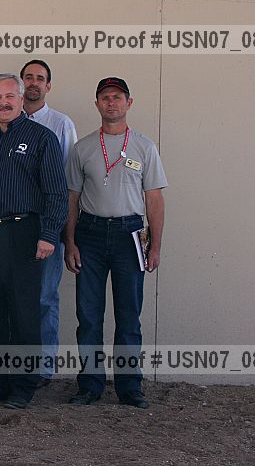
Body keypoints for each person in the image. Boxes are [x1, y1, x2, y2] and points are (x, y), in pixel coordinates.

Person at [0, 73, 67, 409]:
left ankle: (23, 385)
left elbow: (56, 192)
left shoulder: (42, 138)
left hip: (25, 233)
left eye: (10, 96)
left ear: (22, 99)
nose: (3, 102)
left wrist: (49, 235)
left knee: (24, 312)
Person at [65, 77, 167, 409]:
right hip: (90, 235)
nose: (111, 102)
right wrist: (70, 241)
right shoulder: (82, 148)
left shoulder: (145, 147)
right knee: (89, 315)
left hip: (130, 235)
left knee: (128, 315)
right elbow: (71, 199)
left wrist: (155, 246)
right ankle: (89, 385)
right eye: (105, 97)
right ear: (97, 104)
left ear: (129, 103)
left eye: (118, 97)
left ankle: (129, 386)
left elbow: (154, 200)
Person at [20, 59, 78, 386]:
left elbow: (68, 186)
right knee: (16, 298)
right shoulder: (6, 121)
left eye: (40, 78)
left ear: (48, 86)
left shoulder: (61, 124)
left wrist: (65, 235)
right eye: (28, 77)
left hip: (47, 225)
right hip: (14, 226)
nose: (33, 83)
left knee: (44, 298)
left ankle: (43, 369)